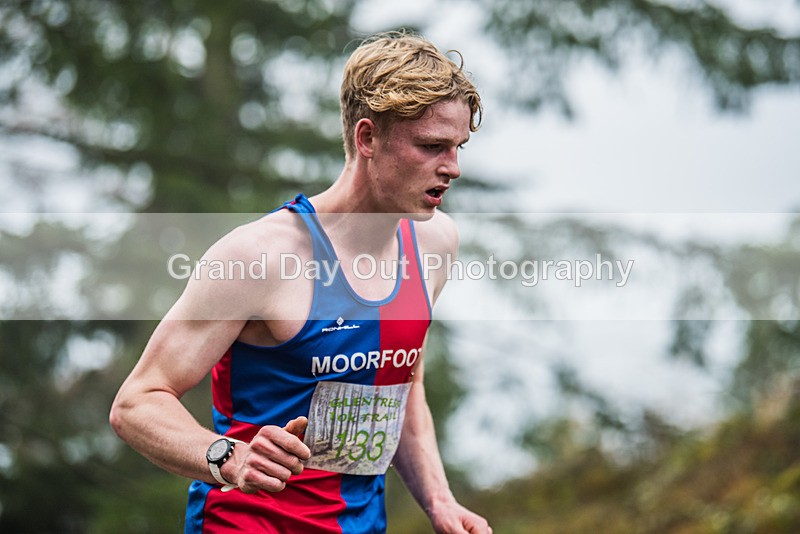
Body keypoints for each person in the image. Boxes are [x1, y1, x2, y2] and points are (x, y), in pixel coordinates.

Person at [110, 30, 491, 534]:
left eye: (458, 146)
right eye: (431, 146)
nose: (453, 167)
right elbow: (137, 402)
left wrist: (439, 501)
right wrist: (229, 458)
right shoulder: (260, 256)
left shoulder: (434, 243)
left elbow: (402, 385)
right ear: (367, 138)